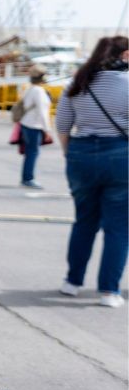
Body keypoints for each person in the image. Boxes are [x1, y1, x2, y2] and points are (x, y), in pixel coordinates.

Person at [55, 36, 129, 308]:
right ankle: (109, 291)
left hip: (81, 155)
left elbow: (63, 126)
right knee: (119, 227)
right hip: (121, 157)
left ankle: (72, 282)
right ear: (125, 55)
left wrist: (71, 156)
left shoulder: (77, 84)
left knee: (84, 221)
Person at [18, 65, 52, 189]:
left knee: (29, 152)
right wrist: (47, 130)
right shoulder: (39, 91)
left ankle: (26, 177)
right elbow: (43, 112)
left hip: (26, 123)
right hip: (34, 125)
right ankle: (28, 178)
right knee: (33, 153)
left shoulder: (31, 89)